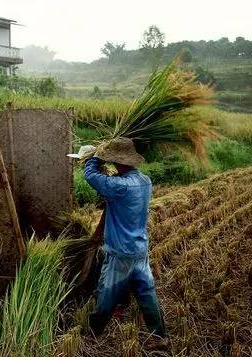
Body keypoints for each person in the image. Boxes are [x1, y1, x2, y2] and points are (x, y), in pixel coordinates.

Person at [68, 137, 169, 349]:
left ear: (116, 161)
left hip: (120, 252)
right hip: (140, 249)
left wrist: (95, 157)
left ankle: (92, 334)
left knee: (106, 293)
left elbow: (91, 176)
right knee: (146, 292)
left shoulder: (120, 186)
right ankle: (160, 336)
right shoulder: (144, 181)